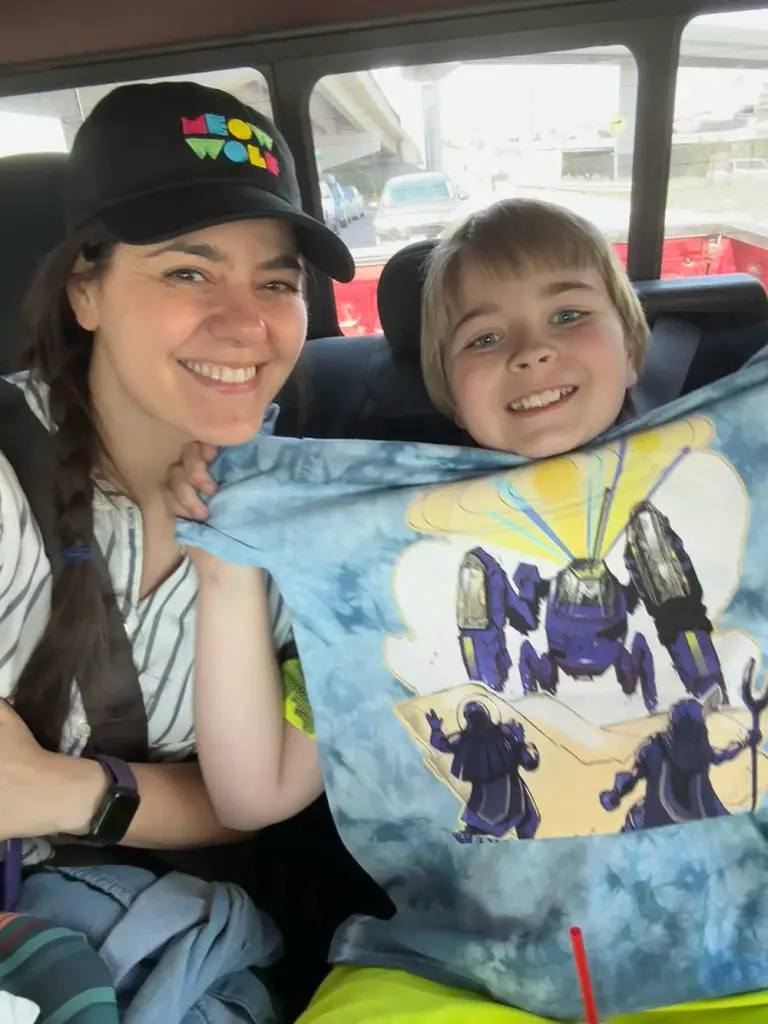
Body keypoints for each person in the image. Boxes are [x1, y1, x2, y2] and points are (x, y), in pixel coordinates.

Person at [172, 199, 767, 1022]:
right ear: (449, 391)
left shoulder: (741, 479)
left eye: (568, 313)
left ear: (632, 348)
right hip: (461, 975)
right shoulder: (378, 557)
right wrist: (225, 568)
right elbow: (254, 796)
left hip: (744, 958)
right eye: (483, 338)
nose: (531, 350)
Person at [0, 78, 353, 1021]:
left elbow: (249, 795)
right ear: (85, 289)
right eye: (188, 270)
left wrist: (63, 792)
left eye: (276, 281)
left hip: (147, 923)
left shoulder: (317, 523)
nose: (247, 322)